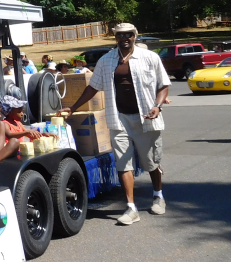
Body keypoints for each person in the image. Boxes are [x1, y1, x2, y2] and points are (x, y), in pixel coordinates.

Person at [57, 22, 169, 225]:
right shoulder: (106, 61)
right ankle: (131, 208)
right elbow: (93, 87)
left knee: (151, 162)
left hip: (146, 118)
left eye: (128, 35)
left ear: (135, 36)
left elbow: (163, 85)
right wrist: (72, 108)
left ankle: (158, 195)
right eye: (120, 35)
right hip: (119, 119)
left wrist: (157, 106)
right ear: (115, 38)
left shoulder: (150, 58)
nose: (124, 38)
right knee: (122, 163)